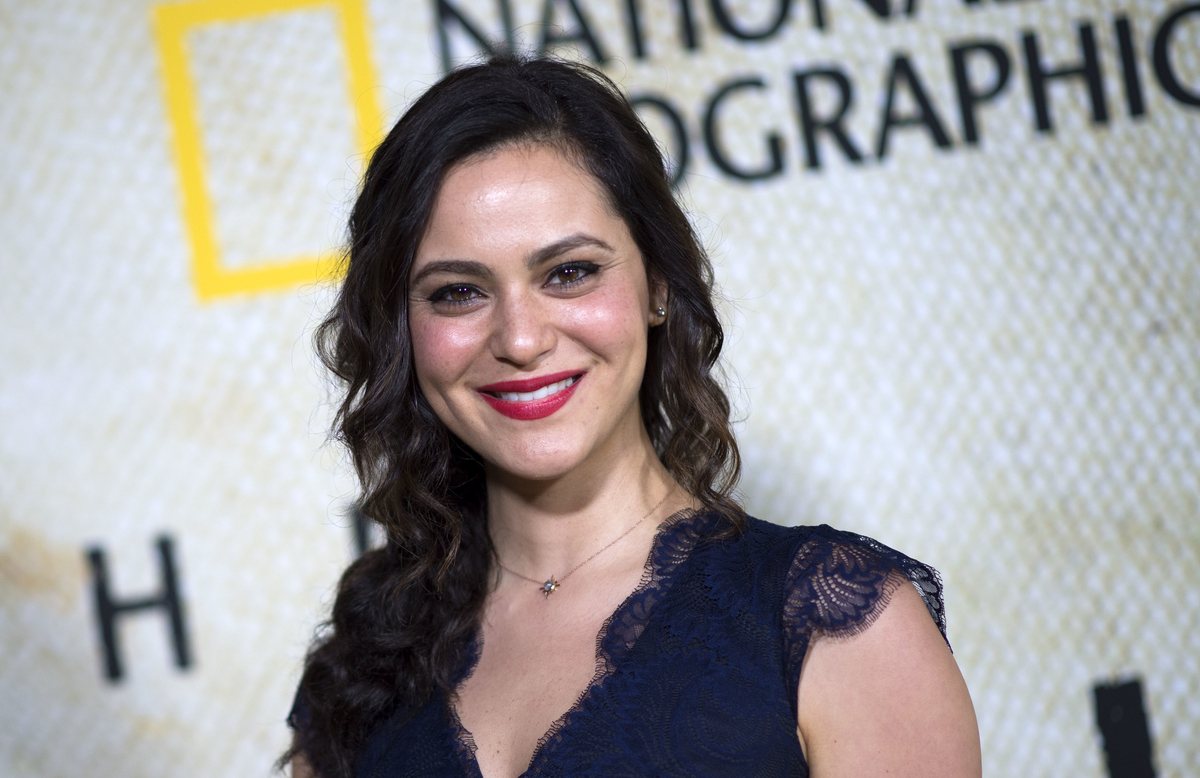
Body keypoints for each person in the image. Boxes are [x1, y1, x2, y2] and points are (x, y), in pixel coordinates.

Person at [285, 55, 981, 778]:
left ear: (659, 286)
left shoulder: (837, 627)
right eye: (458, 292)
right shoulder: (362, 661)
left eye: (569, 273)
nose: (520, 339)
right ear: (400, 328)